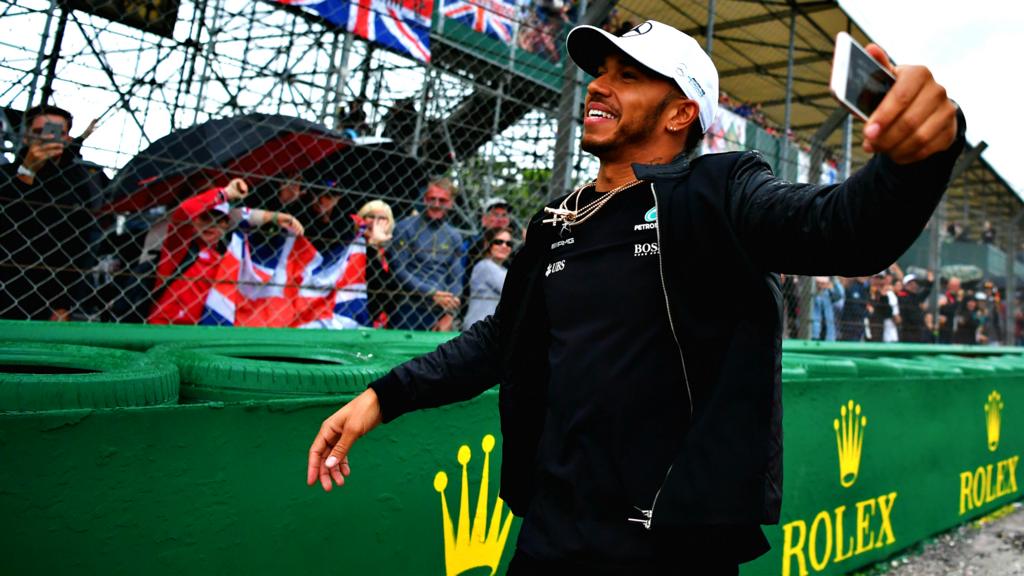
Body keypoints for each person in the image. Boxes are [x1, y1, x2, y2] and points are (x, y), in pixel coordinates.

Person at [307, 20, 964, 573]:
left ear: (682, 112)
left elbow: (843, 232)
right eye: (602, 71)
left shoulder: (719, 190)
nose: (599, 84)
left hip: (673, 548)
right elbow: (499, 344)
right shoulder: (556, 220)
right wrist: (382, 397)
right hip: (549, 535)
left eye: (629, 75)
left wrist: (917, 159)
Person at [0, 104, 107, 321]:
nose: (48, 138)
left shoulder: (78, 186)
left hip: (48, 298)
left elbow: (79, 248)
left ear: (66, 139)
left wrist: (63, 303)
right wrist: (26, 173)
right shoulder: (6, 176)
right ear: (27, 137)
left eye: (57, 132)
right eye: (40, 132)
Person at [148, 178, 303, 325]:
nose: (211, 225)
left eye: (218, 220)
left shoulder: (229, 257)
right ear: (195, 220)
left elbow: (240, 215)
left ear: (226, 225)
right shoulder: (179, 247)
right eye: (205, 217)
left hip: (202, 337)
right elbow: (184, 211)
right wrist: (226, 193)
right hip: (164, 330)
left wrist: (277, 217)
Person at [389, 179, 465, 331]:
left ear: (450, 203)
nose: (436, 204)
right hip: (408, 306)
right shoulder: (405, 227)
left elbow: (456, 278)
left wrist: (450, 314)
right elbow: (399, 270)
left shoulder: (454, 236)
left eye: (442, 200)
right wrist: (432, 293)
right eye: (432, 199)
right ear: (424, 199)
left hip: (441, 309)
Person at [355, 200, 399, 328]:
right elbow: (372, 279)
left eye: (382, 218)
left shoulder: (393, 249)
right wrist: (373, 245)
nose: (375, 222)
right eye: (371, 216)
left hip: (387, 317)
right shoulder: (354, 245)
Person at [463, 227, 513, 329]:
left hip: (489, 330)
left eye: (509, 244)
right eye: (499, 242)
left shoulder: (503, 270)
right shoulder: (485, 266)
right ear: (487, 244)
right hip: (477, 331)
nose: (504, 246)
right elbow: (515, 288)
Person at [897, 272, 934, 343]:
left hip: (917, 332)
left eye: (915, 283)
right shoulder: (903, 296)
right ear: (907, 285)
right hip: (908, 333)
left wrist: (930, 282)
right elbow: (912, 314)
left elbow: (924, 294)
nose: (916, 285)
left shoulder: (913, 296)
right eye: (913, 283)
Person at [810, 276, 843, 341]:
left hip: (827, 325)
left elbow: (838, 296)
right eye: (819, 283)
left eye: (823, 283)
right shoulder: (811, 289)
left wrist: (831, 287)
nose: (821, 285)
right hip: (814, 327)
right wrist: (818, 289)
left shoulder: (829, 291)